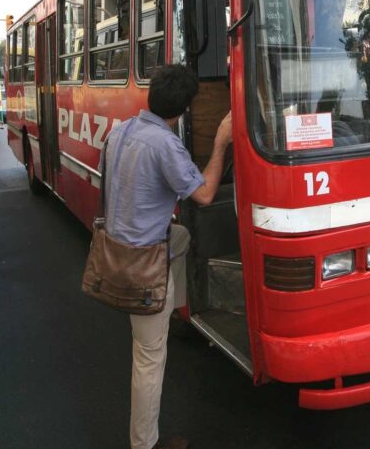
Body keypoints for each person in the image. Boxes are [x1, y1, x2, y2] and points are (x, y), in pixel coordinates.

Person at [102, 64, 233, 449]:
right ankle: (145, 444)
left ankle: (179, 306)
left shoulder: (121, 131)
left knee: (181, 235)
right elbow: (205, 194)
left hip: (115, 250)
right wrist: (222, 142)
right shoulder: (165, 144)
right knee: (148, 359)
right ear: (184, 110)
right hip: (142, 268)